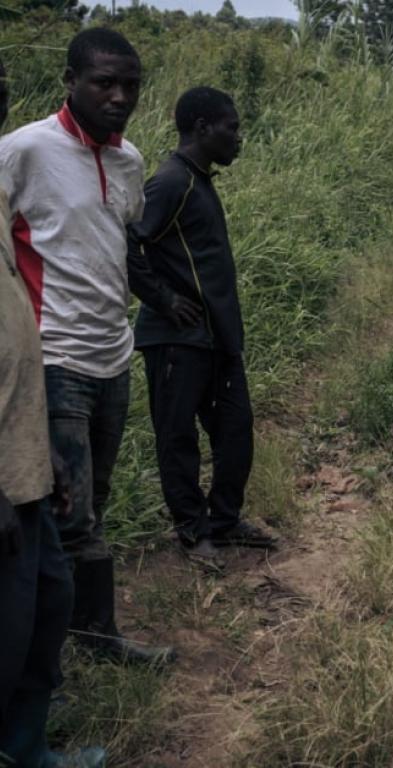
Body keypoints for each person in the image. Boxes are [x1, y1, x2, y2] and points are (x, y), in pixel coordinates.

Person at [0, 28, 173, 666]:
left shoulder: (129, 160)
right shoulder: (24, 150)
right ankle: (75, 650)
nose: (119, 95)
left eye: (130, 84)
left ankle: (80, 641)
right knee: (67, 514)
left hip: (112, 355)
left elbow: (119, 245)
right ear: (70, 81)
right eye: (105, 82)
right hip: (54, 359)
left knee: (91, 503)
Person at [0, 55, 107, 768]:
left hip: (25, 459)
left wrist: (38, 452)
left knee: (45, 603)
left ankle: (27, 745)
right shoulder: (25, 155)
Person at [127, 87, 276, 572]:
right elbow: (127, 243)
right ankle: (192, 531)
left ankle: (225, 521)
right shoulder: (171, 182)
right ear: (202, 127)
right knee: (178, 438)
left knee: (235, 431)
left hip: (218, 339)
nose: (238, 137)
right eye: (231, 128)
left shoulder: (200, 183)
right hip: (176, 340)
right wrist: (166, 300)